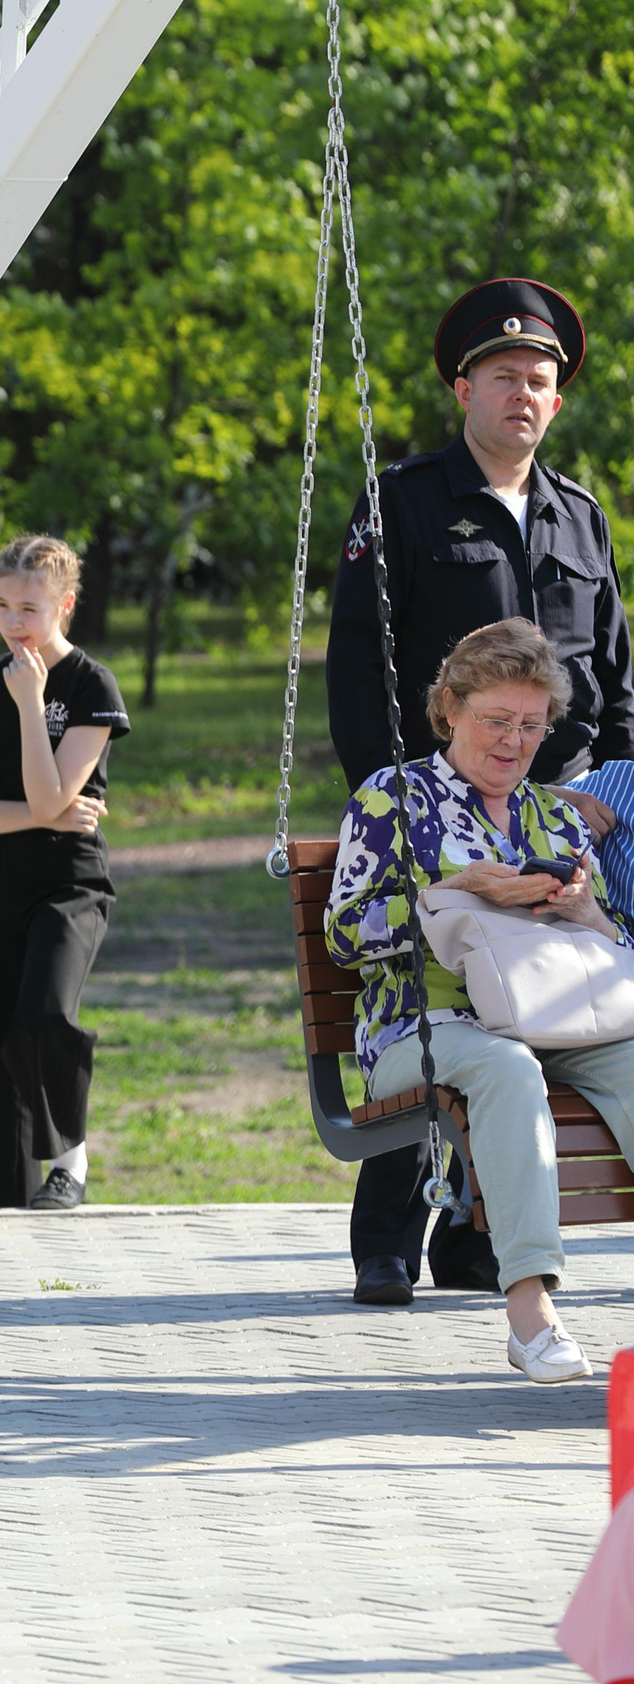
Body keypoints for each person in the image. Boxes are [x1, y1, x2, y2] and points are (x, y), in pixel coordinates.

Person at [323, 278, 634, 1305]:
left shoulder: (580, 520)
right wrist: (403, 801)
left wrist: (608, 794)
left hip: (567, 817)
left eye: (539, 380)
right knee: (444, 996)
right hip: (436, 809)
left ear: (556, 400)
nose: (522, 394)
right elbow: (359, 672)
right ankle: (387, 1237)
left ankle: (480, 1240)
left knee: (560, 1008)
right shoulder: (404, 503)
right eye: (503, 375)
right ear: (464, 387)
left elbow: (614, 682)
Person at [325, 618, 634, 1383]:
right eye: (497, 720)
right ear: (451, 708)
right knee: (505, 1069)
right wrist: (453, 891)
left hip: (553, 1015)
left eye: (532, 725)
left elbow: (617, 949)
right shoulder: (394, 797)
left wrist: (586, 913)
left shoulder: (553, 815)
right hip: (423, 1027)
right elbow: (342, 935)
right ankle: (531, 1313)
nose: (514, 740)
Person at [0, 536, 128, 1209]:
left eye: (30, 608)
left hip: (69, 880)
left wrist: (29, 704)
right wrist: (40, 814)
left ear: (64, 605)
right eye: (1, 605)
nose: (14, 622)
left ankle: (70, 1161)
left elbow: (52, 800)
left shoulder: (89, 684)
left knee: (44, 1011)